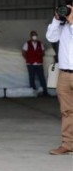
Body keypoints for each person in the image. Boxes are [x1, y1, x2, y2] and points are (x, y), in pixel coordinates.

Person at [45, 9, 73, 155]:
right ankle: (68, 144)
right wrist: (56, 19)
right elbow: (51, 37)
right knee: (67, 111)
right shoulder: (63, 26)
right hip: (64, 74)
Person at [22, 30, 49, 96]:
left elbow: (43, 52)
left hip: (39, 63)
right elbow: (23, 52)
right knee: (32, 77)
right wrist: (28, 59)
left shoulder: (40, 43)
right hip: (30, 64)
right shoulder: (27, 43)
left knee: (41, 77)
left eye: (35, 35)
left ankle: (44, 92)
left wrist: (39, 57)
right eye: (33, 35)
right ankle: (33, 92)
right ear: (31, 36)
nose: (34, 36)